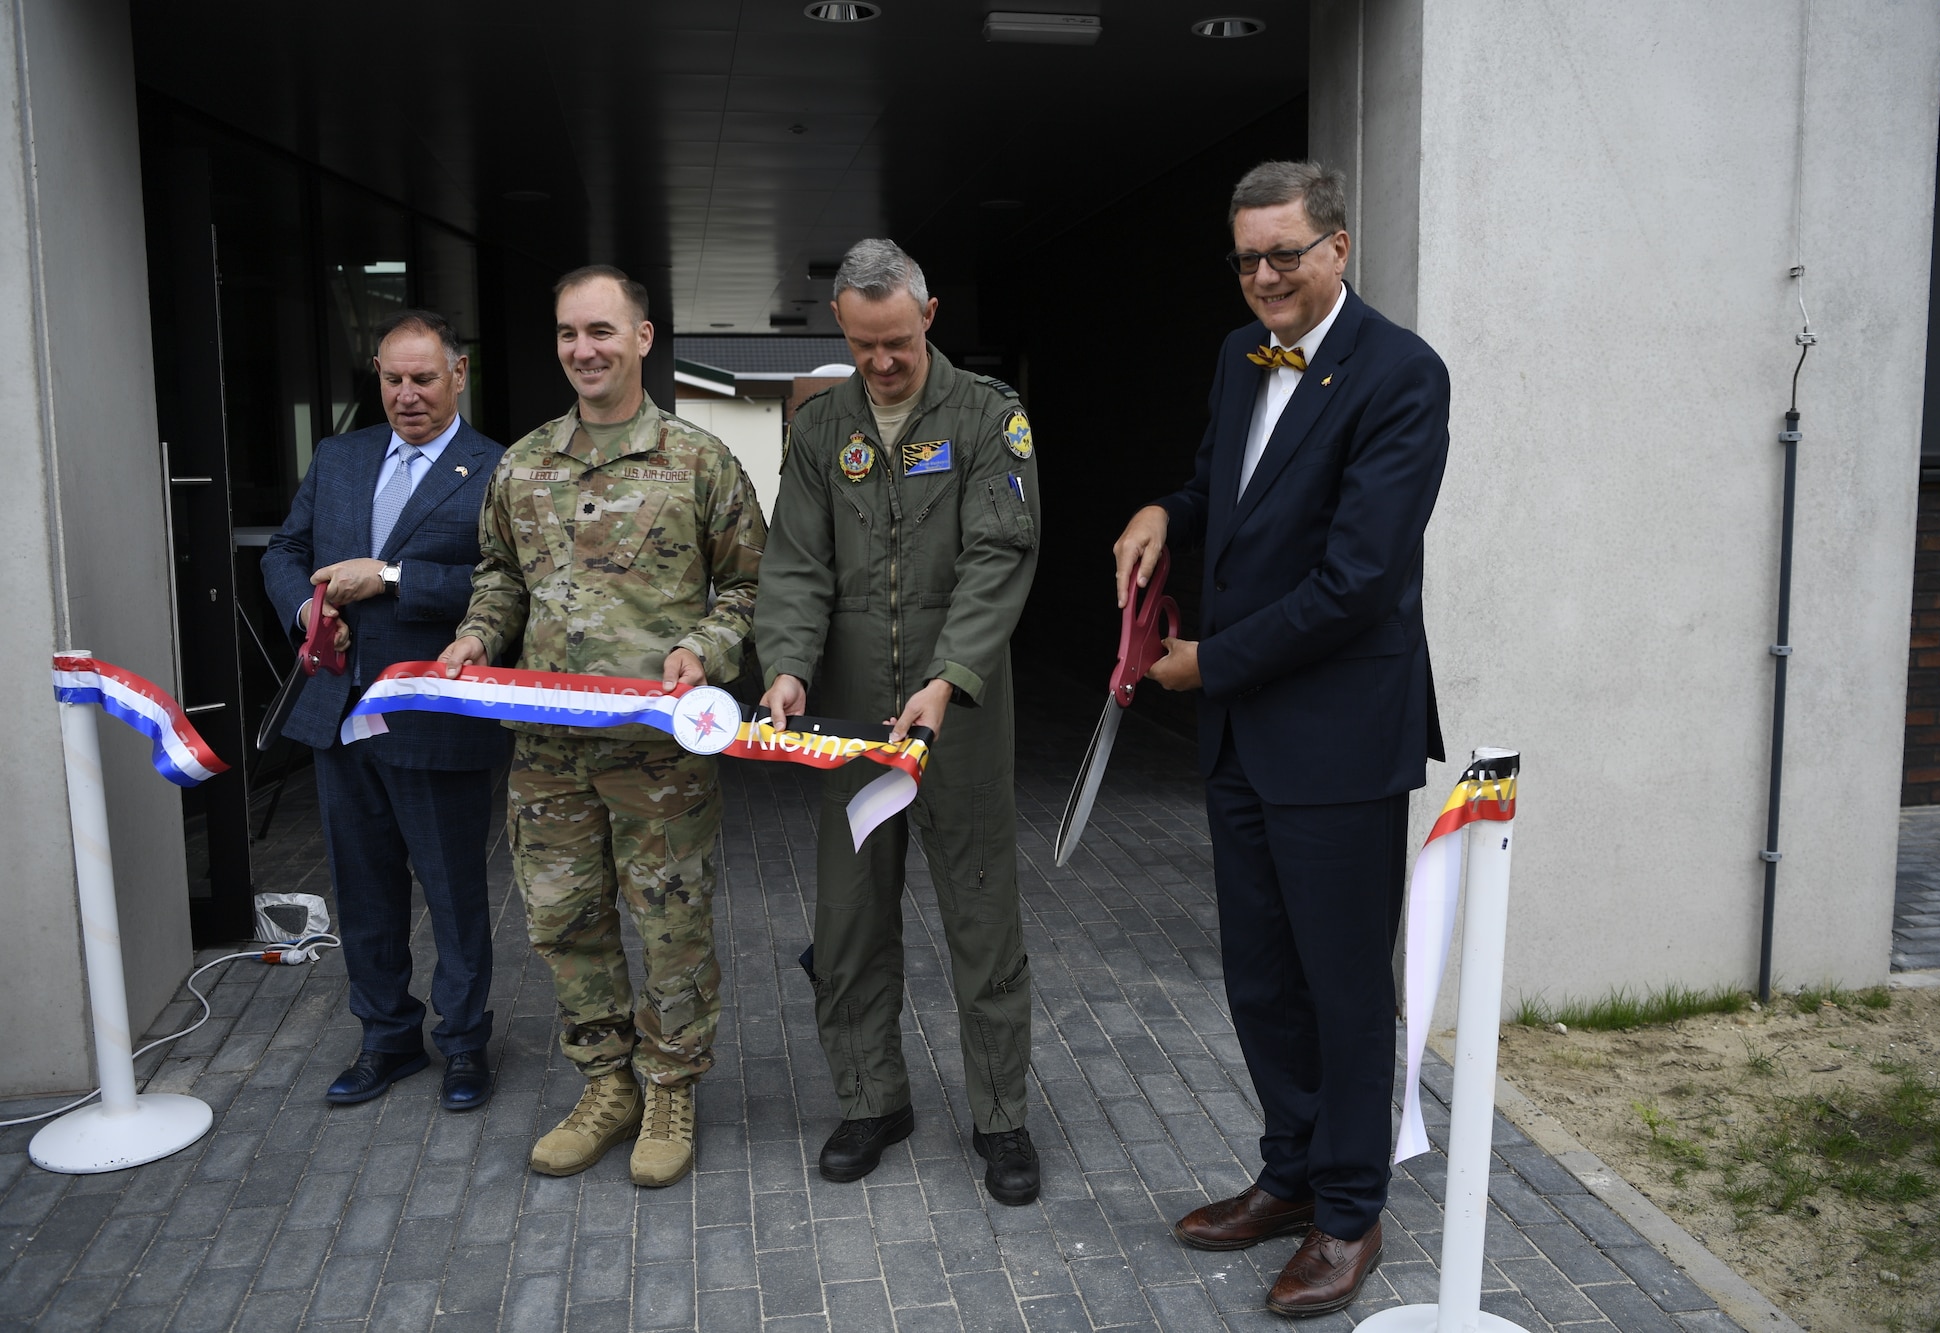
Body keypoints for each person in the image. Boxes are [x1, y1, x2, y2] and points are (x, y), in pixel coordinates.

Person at [1111, 161, 1450, 1318]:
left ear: (1338, 248)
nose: (1261, 276)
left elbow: (1356, 580)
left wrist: (1209, 663)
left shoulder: (1402, 374)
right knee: (1261, 978)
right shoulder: (1233, 354)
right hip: (1243, 735)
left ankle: (1350, 1213)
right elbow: (1222, 489)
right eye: (1246, 256)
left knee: (1344, 986)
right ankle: (1293, 1174)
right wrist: (1167, 509)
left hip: (1340, 735)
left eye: (1284, 255)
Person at [439, 265, 763, 1188]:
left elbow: (748, 585)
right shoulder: (525, 462)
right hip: (546, 752)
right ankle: (606, 1082)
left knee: (670, 924)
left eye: (603, 331)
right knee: (563, 921)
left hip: (658, 755)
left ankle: (669, 1088)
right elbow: (500, 574)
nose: (585, 349)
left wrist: (705, 645)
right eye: (569, 333)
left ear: (644, 338)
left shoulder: (699, 461)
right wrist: (474, 636)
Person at [755, 239, 1044, 1205]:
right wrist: (788, 666)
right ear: (843, 328)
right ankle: (873, 1099)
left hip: (952, 716)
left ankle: (1001, 1115)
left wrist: (951, 676)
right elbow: (794, 562)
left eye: (897, 342)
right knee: (849, 918)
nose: (882, 361)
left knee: (980, 913)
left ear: (927, 318)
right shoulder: (819, 429)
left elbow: (999, 556)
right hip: (847, 720)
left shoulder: (987, 417)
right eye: (863, 344)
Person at [262, 310, 510, 1111]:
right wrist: (304, 609)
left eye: (424, 379)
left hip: (436, 716)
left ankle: (466, 1043)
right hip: (339, 716)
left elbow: (509, 583)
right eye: (392, 379)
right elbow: (285, 551)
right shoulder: (341, 456)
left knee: (452, 891)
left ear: (459, 374)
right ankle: (386, 1039)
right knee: (363, 890)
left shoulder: (498, 468)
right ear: (377, 374)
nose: (406, 395)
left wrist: (395, 578)